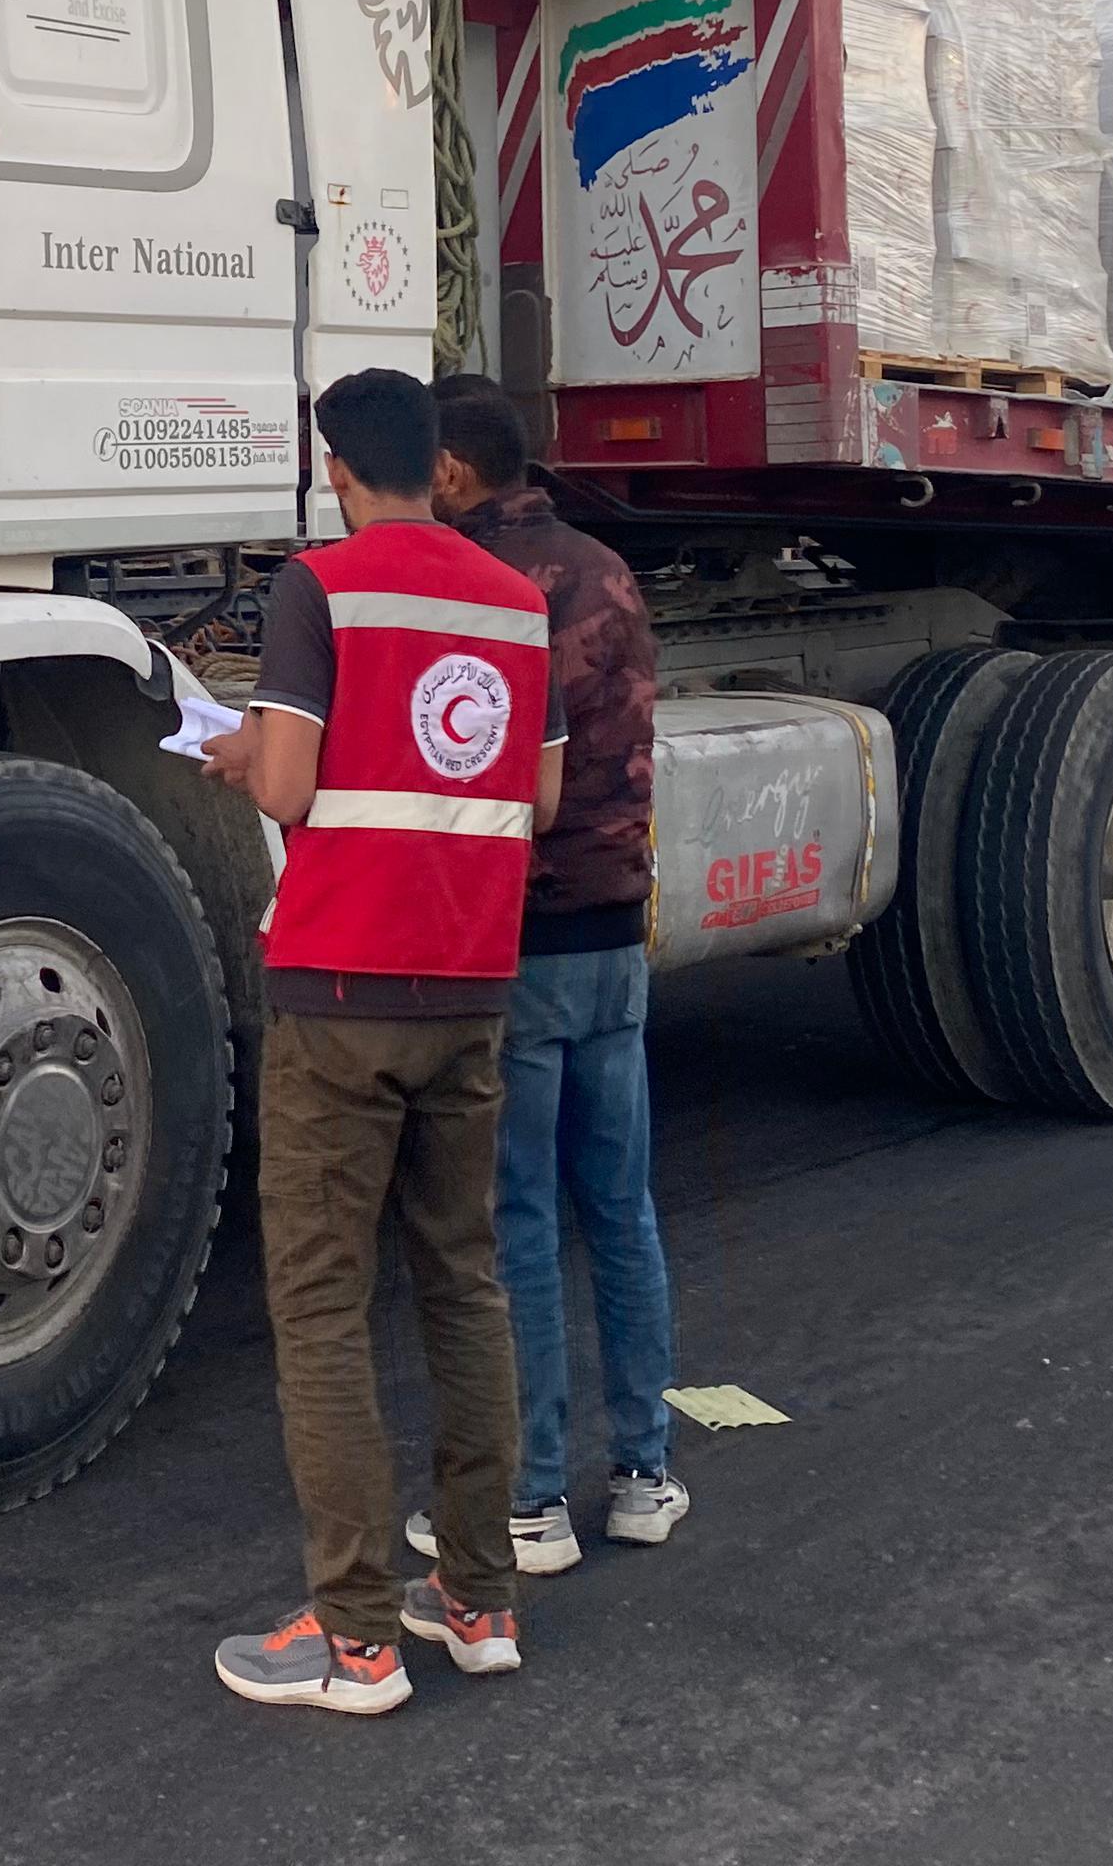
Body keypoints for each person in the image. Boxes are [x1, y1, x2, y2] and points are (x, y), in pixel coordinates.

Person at [203, 369, 565, 1716]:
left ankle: (354, 1637)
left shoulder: (324, 585)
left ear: (339, 470)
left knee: (320, 1303)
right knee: (464, 1284)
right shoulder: (518, 599)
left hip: (341, 991)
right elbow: (534, 789)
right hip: (469, 985)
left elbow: (292, 783)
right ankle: (476, 1601)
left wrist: (240, 757)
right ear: (439, 466)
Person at [406, 373, 688, 1577]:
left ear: (456, 474)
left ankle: (529, 1499)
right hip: (616, 935)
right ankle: (644, 1474)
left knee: (514, 1218)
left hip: (518, 942)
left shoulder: (475, 586)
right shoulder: (609, 570)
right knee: (620, 1211)